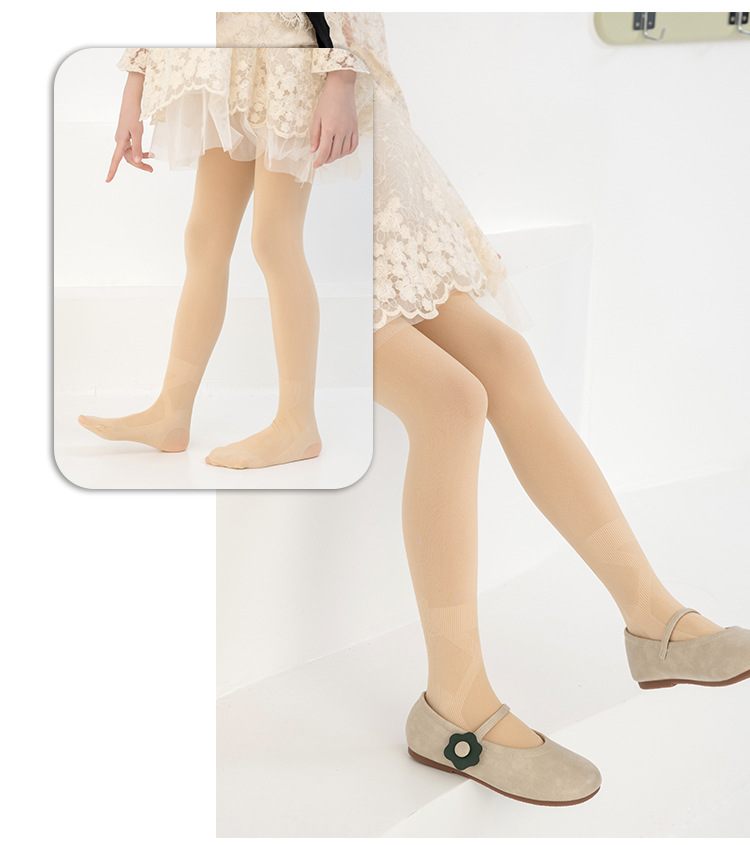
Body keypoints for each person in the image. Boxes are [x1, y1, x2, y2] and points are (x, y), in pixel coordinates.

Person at [216, 12, 750, 807]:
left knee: (506, 357)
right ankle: (455, 701)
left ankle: (654, 617)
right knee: (452, 399)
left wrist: (343, 77)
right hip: (307, 141)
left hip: (358, 136)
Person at [77, 30, 373, 469]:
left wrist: (342, 78)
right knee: (204, 238)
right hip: (224, 65)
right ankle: (170, 413)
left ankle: (297, 422)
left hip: (287, 60)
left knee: (274, 240)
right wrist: (132, 88)